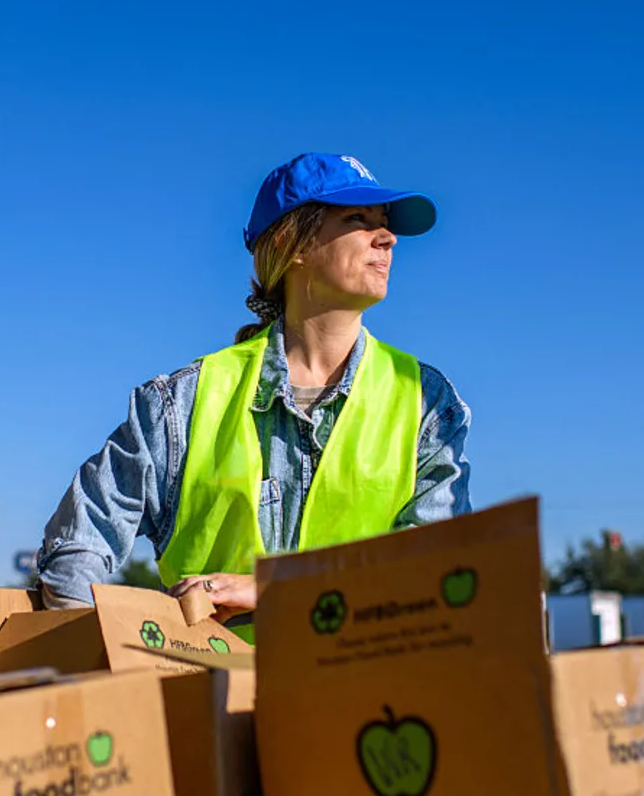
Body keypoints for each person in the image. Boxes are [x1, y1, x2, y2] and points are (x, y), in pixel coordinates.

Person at [34, 152, 473, 639]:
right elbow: (77, 543)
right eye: (358, 219)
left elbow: (438, 572)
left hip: (365, 702)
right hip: (210, 703)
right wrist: (104, 656)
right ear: (295, 244)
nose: (387, 238)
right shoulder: (181, 404)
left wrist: (277, 588)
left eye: (385, 224)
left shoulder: (426, 402)